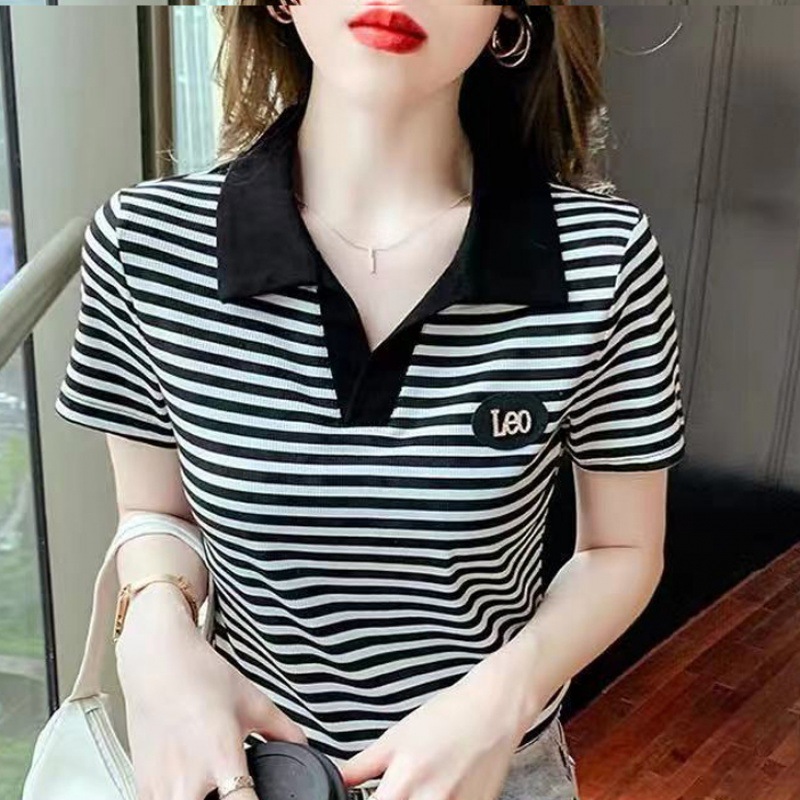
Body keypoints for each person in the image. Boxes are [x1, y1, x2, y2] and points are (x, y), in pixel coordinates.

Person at [54, 1, 686, 799]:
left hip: (493, 772)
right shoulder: (145, 244)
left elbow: (621, 549)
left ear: (507, 12)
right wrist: (152, 634)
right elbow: (156, 514)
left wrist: (500, 700)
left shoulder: (604, 258)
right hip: (248, 771)